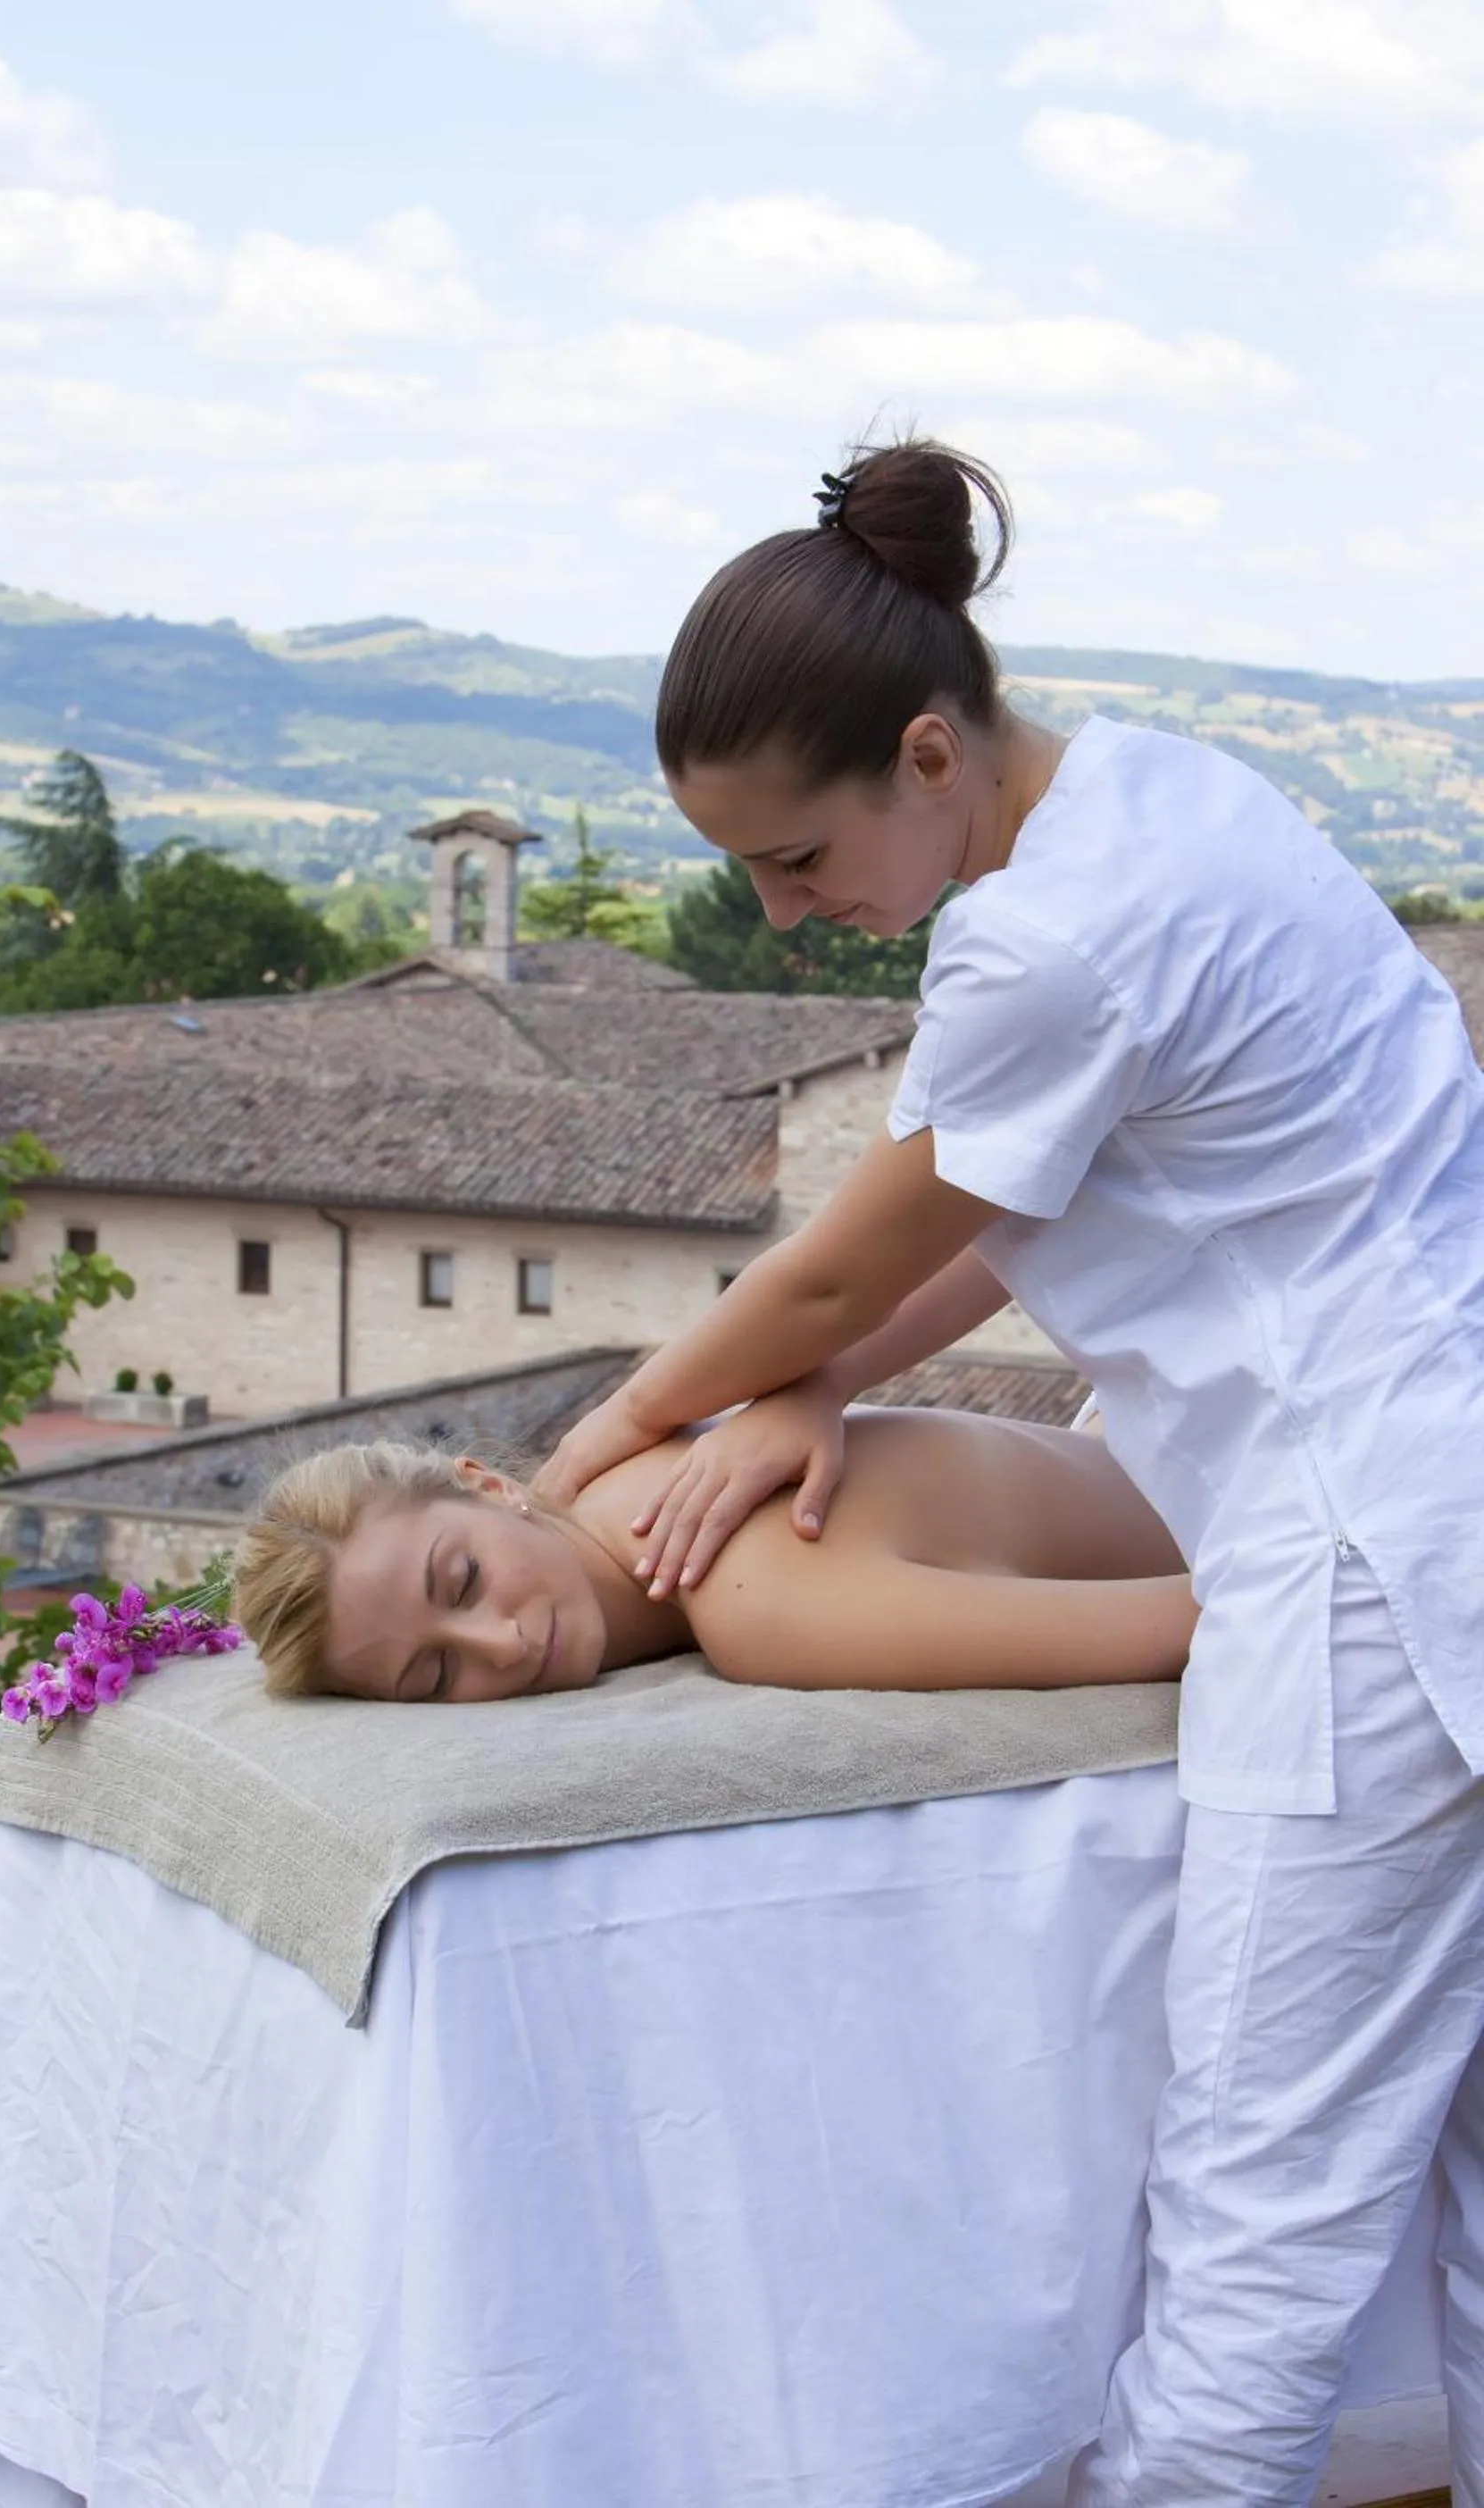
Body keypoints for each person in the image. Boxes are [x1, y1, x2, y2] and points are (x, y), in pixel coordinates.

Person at [532, 439, 1484, 2504]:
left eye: (797, 858)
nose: (785, 916)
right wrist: (799, 1394)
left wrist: (602, 1441)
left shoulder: (1043, 939)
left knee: (1253, 2220)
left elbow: (848, 1259)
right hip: (1440, 1506)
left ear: (927, 751)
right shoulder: (1164, 796)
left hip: (1369, 1558)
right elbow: (994, 1216)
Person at [230, 1405, 1194, 1704]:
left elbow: (1201, 1622)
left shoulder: (752, 1596)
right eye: (436, 1677)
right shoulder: (620, 1468)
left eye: (463, 1580)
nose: (502, 1645)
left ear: (487, 1485)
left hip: (1225, 1480)